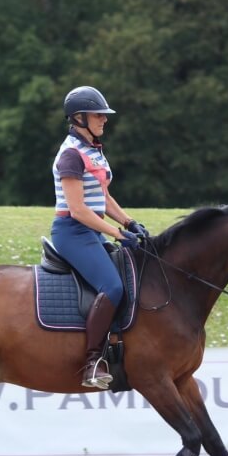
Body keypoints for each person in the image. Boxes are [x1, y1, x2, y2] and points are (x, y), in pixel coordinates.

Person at [51, 86, 149, 389]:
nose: (104, 119)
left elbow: (103, 198)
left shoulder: (93, 151)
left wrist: (130, 222)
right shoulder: (71, 155)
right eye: (98, 115)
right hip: (72, 232)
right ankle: (92, 361)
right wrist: (117, 233)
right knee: (112, 286)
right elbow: (78, 210)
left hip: (91, 231)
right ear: (79, 118)